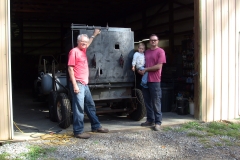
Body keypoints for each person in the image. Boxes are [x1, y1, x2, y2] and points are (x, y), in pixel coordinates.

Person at [68, 29, 109, 139]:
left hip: (85, 85)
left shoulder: (83, 50)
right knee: (79, 109)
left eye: (86, 43)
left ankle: (96, 126)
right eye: (83, 43)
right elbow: (70, 69)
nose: (85, 44)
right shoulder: (74, 51)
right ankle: (78, 131)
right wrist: (75, 85)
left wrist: (94, 35)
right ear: (78, 42)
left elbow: (88, 43)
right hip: (78, 84)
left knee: (90, 106)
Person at [138, 34, 166, 131]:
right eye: (151, 40)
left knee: (156, 101)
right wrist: (140, 70)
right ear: (149, 42)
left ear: (158, 41)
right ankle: (150, 120)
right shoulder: (146, 52)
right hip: (145, 81)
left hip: (155, 80)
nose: (153, 41)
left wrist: (146, 69)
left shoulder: (160, 51)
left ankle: (158, 122)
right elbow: (142, 64)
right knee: (147, 102)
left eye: (155, 40)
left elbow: (159, 66)